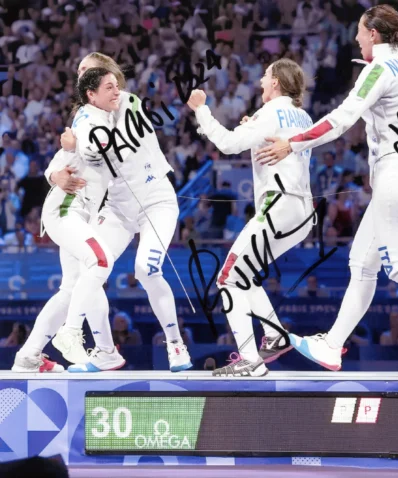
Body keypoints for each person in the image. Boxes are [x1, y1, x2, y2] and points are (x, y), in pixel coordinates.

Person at [255, 4, 398, 376]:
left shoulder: (378, 68)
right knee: (362, 264)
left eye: (361, 32)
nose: (358, 38)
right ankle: (332, 346)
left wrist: (292, 143)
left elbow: (340, 118)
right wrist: (381, 164)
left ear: (374, 34)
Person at [49, 53, 192, 373]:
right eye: (81, 73)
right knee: (94, 263)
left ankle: (175, 344)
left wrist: (83, 148)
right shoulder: (84, 116)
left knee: (146, 270)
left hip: (157, 203)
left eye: (90, 71)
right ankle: (88, 342)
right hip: (117, 209)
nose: (82, 76)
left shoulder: (129, 103)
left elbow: (110, 148)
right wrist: (69, 155)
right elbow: (84, 151)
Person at [186, 58, 314, 376]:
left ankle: (249, 359)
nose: (260, 79)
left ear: (277, 82)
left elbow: (229, 145)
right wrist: (253, 127)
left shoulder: (269, 112)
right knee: (244, 276)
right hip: (302, 214)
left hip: (278, 207)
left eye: (266, 75)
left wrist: (201, 109)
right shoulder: (302, 115)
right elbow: (264, 139)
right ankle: (274, 335)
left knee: (228, 279)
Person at [11, 68, 119, 373]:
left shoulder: (108, 119)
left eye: (117, 87)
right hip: (65, 209)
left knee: (71, 288)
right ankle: (70, 333)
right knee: (100, 261)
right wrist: (55, 171)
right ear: (91, 95)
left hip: (80, 214)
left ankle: (28, 356)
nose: (116, 92)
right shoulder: (87, 120)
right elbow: (69, 156)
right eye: (109, 87)